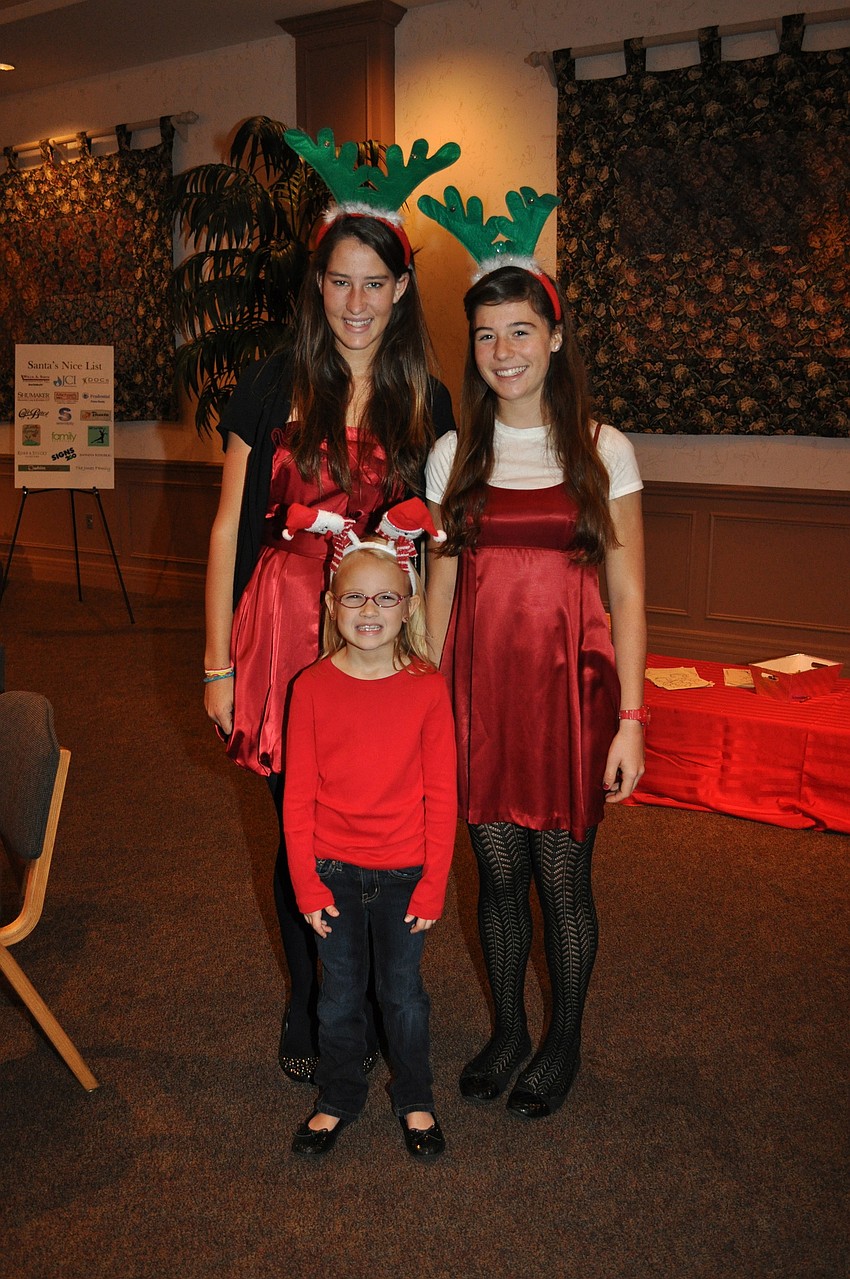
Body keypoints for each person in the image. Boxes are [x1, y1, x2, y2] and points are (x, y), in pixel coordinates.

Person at [203, 199, 456, 1082]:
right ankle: (309, 998)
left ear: (400, 289)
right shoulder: (272, 382)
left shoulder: (427, 394)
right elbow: (231, 522)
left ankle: (380, 984)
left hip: (384, 636)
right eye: (341, 280)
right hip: (283, 626)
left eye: (375, 283)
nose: (357, 300)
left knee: (381, 821)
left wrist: (434, 660)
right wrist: (217, 662)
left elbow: (443, 540)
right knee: (299, 825)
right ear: (319, 285)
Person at [425, 263, 646, 1119]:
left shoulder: (604, 447)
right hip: (478, 695)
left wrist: (632, 718)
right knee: (493, 870)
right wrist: (427, 700)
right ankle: (510, 1029)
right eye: (485, 334)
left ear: (554, 338)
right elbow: (439, 593)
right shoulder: (455, 452)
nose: (502, 350)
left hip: (570, 698)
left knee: (561, 878)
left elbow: (627, 592)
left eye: (520, 330)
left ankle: (564, 1041)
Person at [283, 503, 457, 1159]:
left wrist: (433, 886)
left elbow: (442, 796)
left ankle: (415, 1096)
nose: (369, 609)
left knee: (404, 997)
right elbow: (297, 797)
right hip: (331, 873)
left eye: (386, 597)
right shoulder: (311, 687)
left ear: (408, 608)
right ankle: (337, 1096)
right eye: (353, 596)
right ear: (331, 605)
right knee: (337, 998)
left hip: (406, 874)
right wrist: (305, 885)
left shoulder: (426, 688)